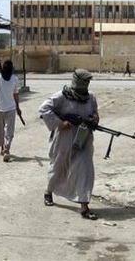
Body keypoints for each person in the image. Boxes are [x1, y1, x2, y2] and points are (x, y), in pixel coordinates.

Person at [38, 69, 99, 220]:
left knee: (85, 168)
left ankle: (84, 205)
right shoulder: (61, 96)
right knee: (59, 166)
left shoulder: (90, 98)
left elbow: (95, 112)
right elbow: (43, 109)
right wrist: (60, 123)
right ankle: (48, 191)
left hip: (83, 138)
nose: (85, 85)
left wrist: (95, 118)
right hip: (64, 138)